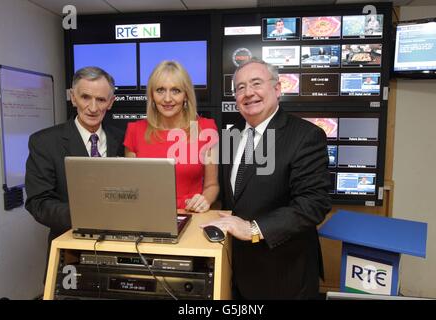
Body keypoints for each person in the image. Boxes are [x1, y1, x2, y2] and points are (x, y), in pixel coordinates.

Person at [203, 58, 332, 299]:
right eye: (240, 87)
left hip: (284, 275)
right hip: (238, 271)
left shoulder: (306, 136)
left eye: (256, 83)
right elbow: (238, 193)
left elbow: (313, 204)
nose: (248, 93)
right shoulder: (231, 135)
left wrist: (253, 228)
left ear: (277, 88)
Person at [25, 66, 125, 247]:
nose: (93, 108)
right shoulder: (45, 142)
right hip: (70, 245)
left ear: (111, 102)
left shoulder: (122, 139)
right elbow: (38, 203)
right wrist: (87, 216)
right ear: (73, 97)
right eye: (85, 97)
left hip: (120, 243)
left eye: (101, 100)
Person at [124, 61, 219, 213]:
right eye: (160, 90)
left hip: (190, 214)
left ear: (186, 95)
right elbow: (132, 188)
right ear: (152, 95)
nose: (167, 99)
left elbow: (212, 186)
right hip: (147, 215)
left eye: (176, 91)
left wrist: (204, 200)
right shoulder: (135, 130)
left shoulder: (205, 129)